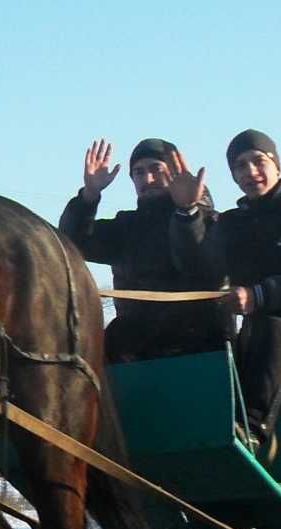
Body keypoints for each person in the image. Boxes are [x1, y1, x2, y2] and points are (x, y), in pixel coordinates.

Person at [168, 130, 281, 454]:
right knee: (205, 342)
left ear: (276, 164)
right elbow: (199, 268)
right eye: (239, 166)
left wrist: (259, 296)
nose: (250, 172)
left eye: (258, 161)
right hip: (257, 337)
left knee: (272, 330)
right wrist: (188, 213)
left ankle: (251, 436)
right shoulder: (234, 222)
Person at [59, 137, 229, 362]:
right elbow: (72, 243)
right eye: (138, 172)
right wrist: (88, 196)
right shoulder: (126, 227)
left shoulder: (209, 221)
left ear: (177, 171)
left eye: (156, 169)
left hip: (199, 347)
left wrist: (187, 212)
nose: (147, 179)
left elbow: (198, 266)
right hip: (132, 349)